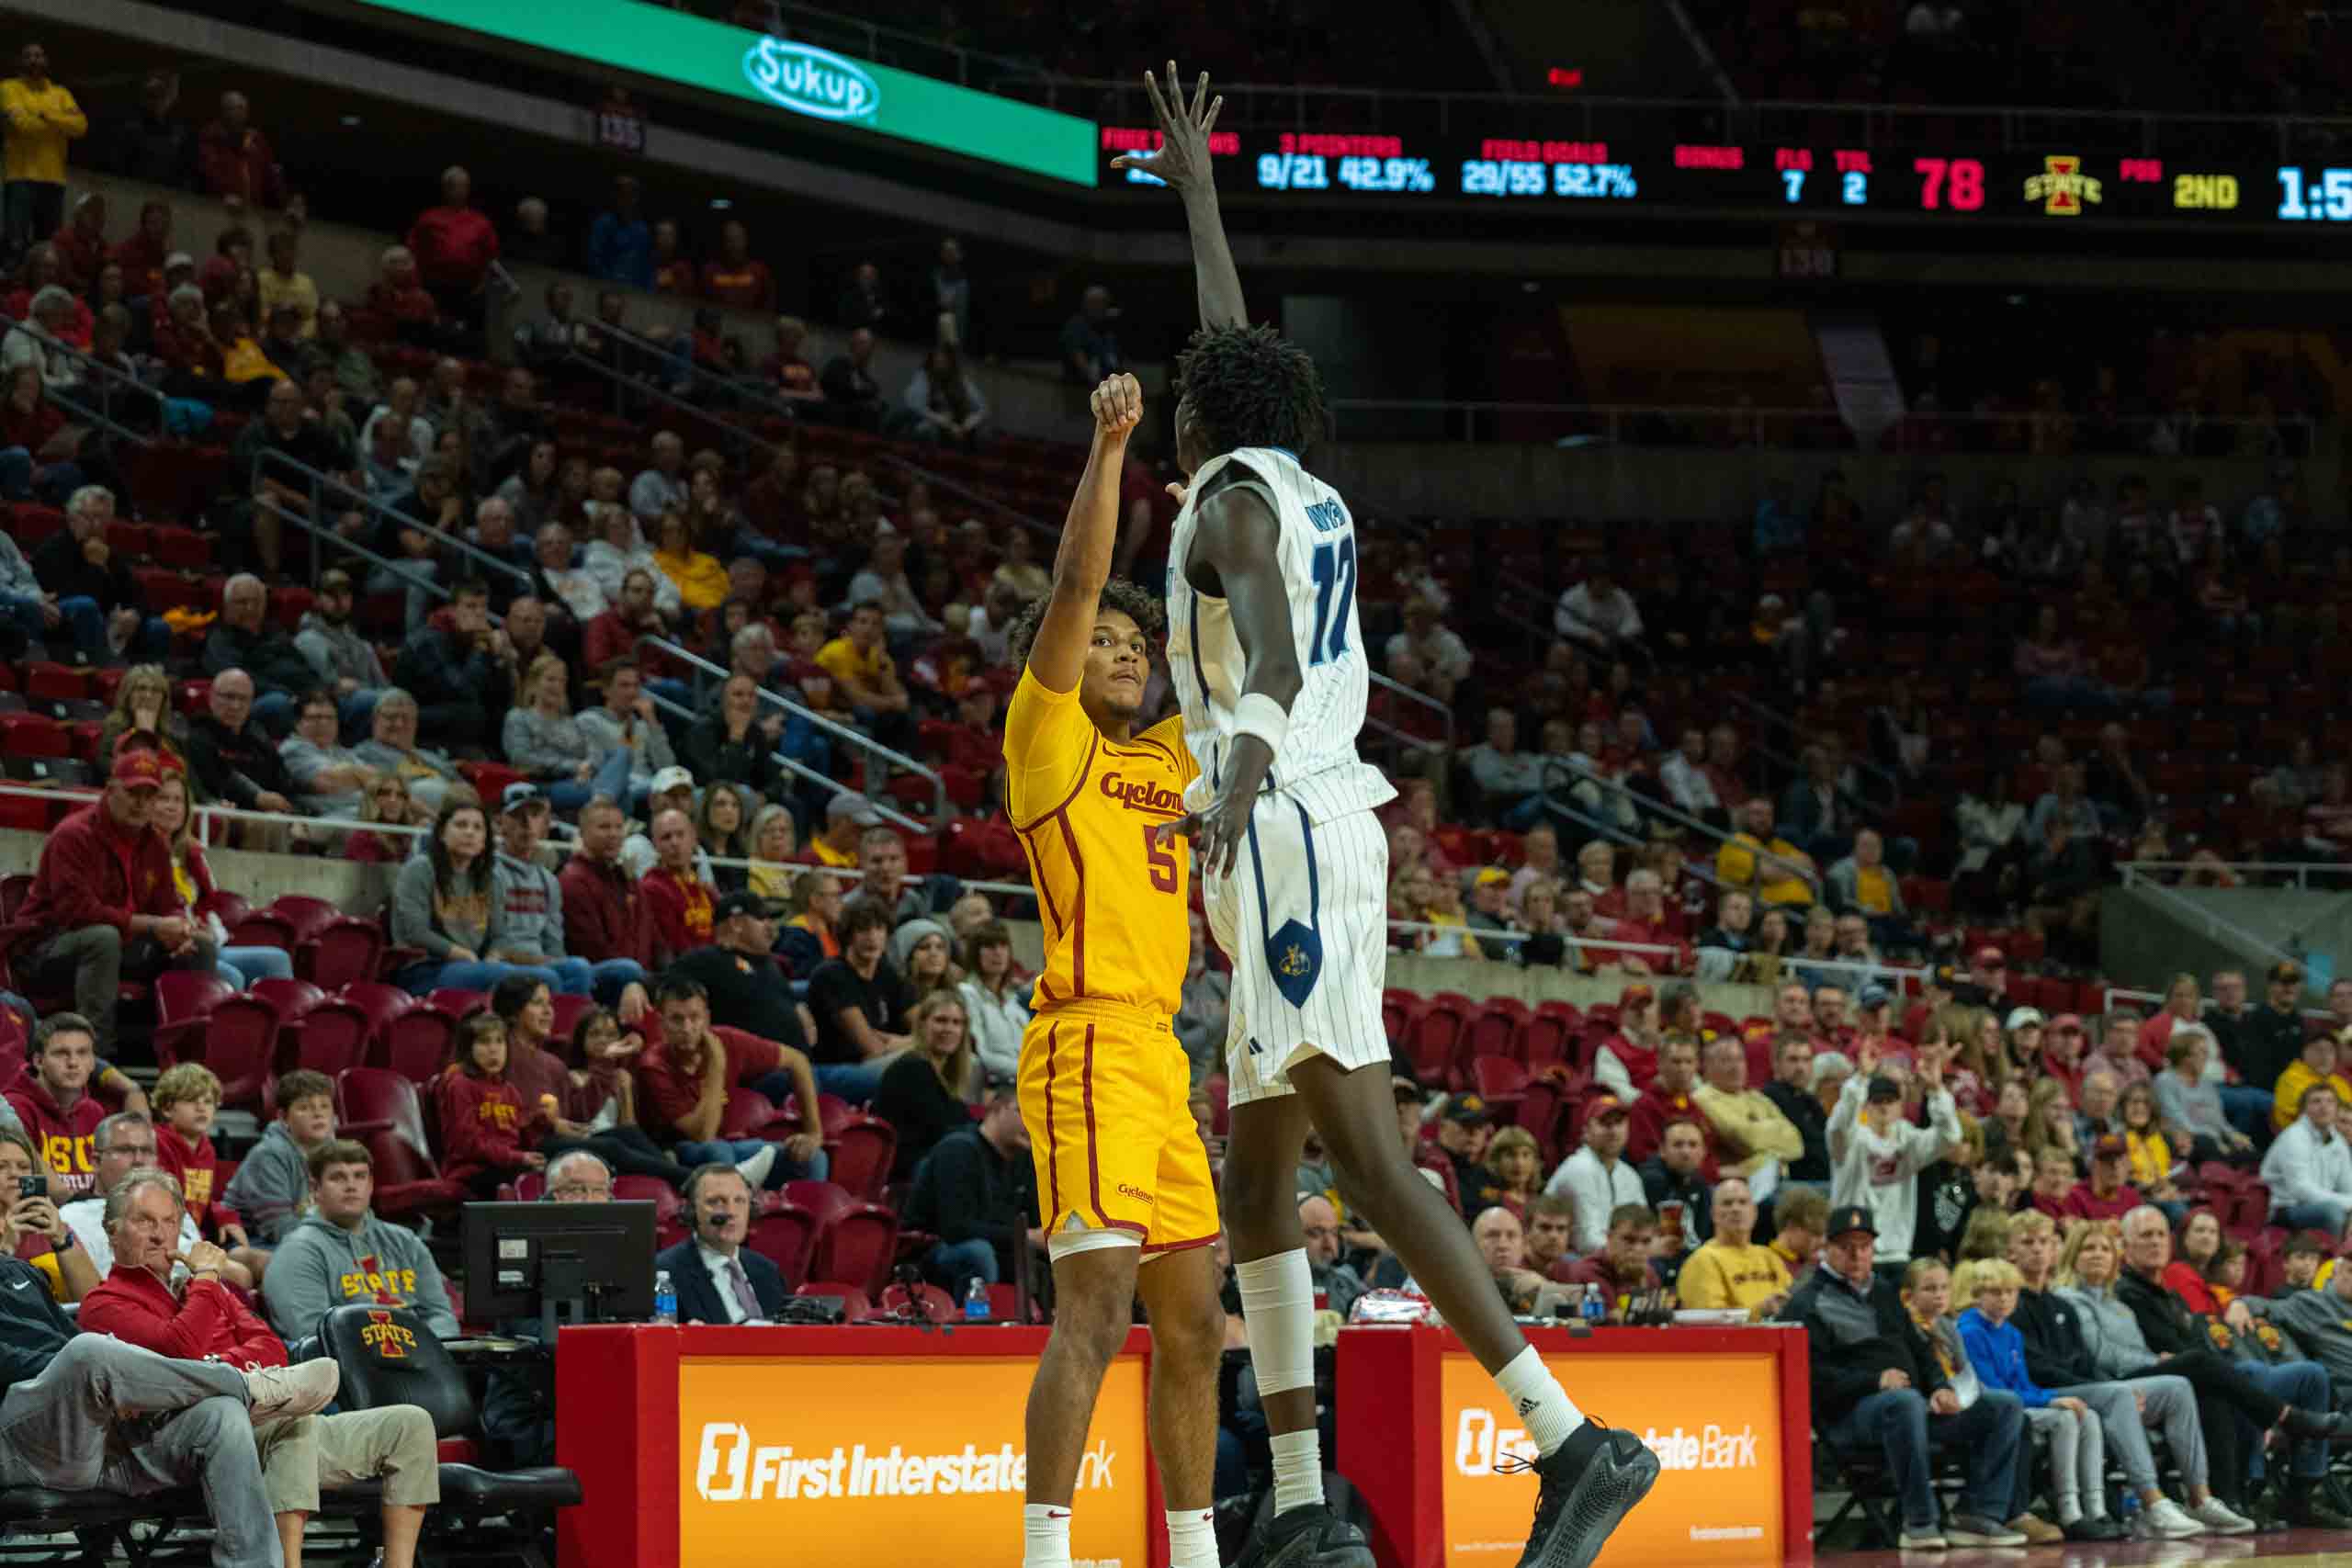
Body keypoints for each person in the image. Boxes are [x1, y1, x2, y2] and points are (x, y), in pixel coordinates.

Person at [1124, 66, 1655, 1568]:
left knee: (1360, 1151)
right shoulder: (1298, 480)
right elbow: (1232, 356)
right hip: (1326, 822)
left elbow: (1276, 664)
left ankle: (1573, 1439)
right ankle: (1299, 1502)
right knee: (1257, 1166)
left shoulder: (1227, 500)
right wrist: (1204, 196)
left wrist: (1224, 785)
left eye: (1181, 399)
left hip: (1282, 817)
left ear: (1208, 420)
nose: (1175, 410)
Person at [988, 366, 1227, 1568]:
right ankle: (1047, 1550)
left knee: (1195, 1323)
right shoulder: (1053, 740)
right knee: (1097, 1309)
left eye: (1142, 644)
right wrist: (1113, 447)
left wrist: (1225, 496)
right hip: (1082, 1040)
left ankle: (1192, 1550)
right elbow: (1080, 582)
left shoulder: (1179, 754)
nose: (1125, 650)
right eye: (1110, 643)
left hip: (1163, 1056)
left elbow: (1229, 625)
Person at [77, 1170, 441, 1568]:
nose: (159, 1235)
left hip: (258, 1423)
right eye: (144, 1221)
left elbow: (273, 1351)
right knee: (292, 1420)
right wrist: (208, 1288)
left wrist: (216, 1368)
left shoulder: (203, 1288)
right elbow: (179, 1351)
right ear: (112, 1233)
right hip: (191, 1441)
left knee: (409, 1423)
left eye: (168, 1222)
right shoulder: (105, 1302)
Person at [1781, 1205, 2029, 1549]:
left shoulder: (1884, 1291)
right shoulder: (1806, 1302)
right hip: (1851, 1417)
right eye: (1846, 1246)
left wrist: (1941, 1388)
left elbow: (1920, 1348)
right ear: (1827, 1248)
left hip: (1912, 1408)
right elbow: (1810, 1376)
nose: (1857, 1254)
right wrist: (1874, 1381)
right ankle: (1919, 1522)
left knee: (2004, 1405)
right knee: (1903, 1402)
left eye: (1864, 1246)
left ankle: (1978, 1514)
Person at [0, 750, 215, 1048]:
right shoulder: (73, 835)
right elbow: (77, 913)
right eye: (133, 793)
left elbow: (168, 903)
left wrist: (180, 927)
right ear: (111, 789)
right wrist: (153, 925)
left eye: (150, 795)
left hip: (120, 942)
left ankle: (183, 1052)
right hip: (45, 948)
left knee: (199, 946)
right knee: (103, 937)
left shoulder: (156, 843)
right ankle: (97, 1054)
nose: (141, 803)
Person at [262, 1140, 460, 1342]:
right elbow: (315, 1337)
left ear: (371, 1184)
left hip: (423, 1363)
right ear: (315, 1188)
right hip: (351, 1366)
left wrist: (432, 1355)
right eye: (338, 1178)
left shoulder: (406, 1241)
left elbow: (440, 1314)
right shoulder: (297, 1252)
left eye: (360, 1176)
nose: (351, 1186)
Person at [634, 976, 819, 1190]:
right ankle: (738, 1195)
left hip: (730, 1145)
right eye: (677, 1019)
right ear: (661, 1023)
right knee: (717, 1151)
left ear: (707, 1018)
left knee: (814, 1157)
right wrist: (716, 1067)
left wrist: (813, 1133)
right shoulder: (654, 1066)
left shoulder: (728, 1040)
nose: (687, 1028)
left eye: (695, 1017)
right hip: (676, 1153)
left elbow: (798, 1061)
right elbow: (703, 1135)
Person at [390, 797, 576, 997]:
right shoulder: (420, 869)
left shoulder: (489, 878)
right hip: (424, 968)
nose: (470, 832)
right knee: (510, 975)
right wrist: (460, 954)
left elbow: (500, 935)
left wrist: (493, 956)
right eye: (461, 825)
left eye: (478, 828)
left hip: (475, 966)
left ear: (484, 840)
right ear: (442, 833)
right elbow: (415, 932)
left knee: (553, 976)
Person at [1829, 1046, 1961, 1274]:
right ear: (1866, 1104)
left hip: (1897, 1253)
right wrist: (1860, 1078)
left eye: (1890, 1100)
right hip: (1851, 1252)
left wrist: (1937, 1090)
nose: (1884, 1106)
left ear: (1901, 1105)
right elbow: (1839, 1125)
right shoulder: (1851, 1142)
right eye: (1877, 1100)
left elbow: (1950, 1137)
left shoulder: (1908, 1140)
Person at [902, 1089, 1038, 1289]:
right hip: (932, 1252)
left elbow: (1033, 1223)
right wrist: (1024, 1236)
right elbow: (956, 1227)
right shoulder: (959, 1149)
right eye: (1025, 1113)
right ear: (996, 1108)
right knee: (979, 1253)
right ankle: (977, 1317)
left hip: (995, 1247)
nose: (1033, 1124)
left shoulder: (1023, 1161)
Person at [655, 1165, 783, 1325]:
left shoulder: (768, 1272)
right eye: (716, 1202)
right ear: (691, 1210)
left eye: (739, 1201)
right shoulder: (665, 1273)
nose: (731, 1211)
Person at [221, 1068, 335, 1247]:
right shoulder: (269, 1155)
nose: (318, 1114)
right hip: (251, 1240)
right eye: (305, 1108)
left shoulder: (337, 1154)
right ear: (283, 1117)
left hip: (307, 1238)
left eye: (324, 1106)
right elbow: (280, 1229)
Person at [872, 991, 978, 1181]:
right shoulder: (912, 1068)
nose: (948, 1029)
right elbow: (941, 1129)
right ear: (921, 1025)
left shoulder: (945, 1075)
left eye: (956, 1023)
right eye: (940, 1020)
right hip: (910, 1171)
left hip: (936, 1159)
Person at [1, 45, 84, 266]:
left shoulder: (61, 93)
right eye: (28, 56)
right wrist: (59, 122)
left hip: (54, 179)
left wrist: (46, 115)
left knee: (47, 248)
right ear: (19, 61)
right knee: (14, 244)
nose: (33, 60)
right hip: (20, 177)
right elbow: (23, 125)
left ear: (46, 60)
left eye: (38, 55)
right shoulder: (8, 87)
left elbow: (80, 126)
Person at [1543, 1095, 1645, 1255]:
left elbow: (1643, 1227)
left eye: (1619, 1123)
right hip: (1569, 1257)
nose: (1613, 1130)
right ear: (1586, 1131)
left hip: (1609, 1255)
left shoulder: (1629, 1175)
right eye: (1605, 1123)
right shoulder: (1579, 1168)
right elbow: (1586, 1242)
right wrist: (1634, 1252)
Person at [1676, 1176, 1791, 1320]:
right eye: (1727, 1203)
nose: (1736, 1209)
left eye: (1743, 1202)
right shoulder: (1702, 1260)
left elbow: (1788, 1302)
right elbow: (1708, 1322)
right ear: (1714, 1214)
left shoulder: (1769, 1257)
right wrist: (1759, 1311)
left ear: (1754, 1212)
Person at [2263, 1082, 2352, 1236]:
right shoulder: (2294, 1137)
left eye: (2330, 1101)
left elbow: (2348, 1186)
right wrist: (2347, 1203)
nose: (2324, 1107)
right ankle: (2336, 1257)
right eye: (2316, 1101)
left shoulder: (2338, 1140)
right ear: (2304, 1110)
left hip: (2322, 1204)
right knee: (2334, 1212)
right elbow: (2301, 1190)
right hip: (2287, 1208)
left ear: (2336, 1109)